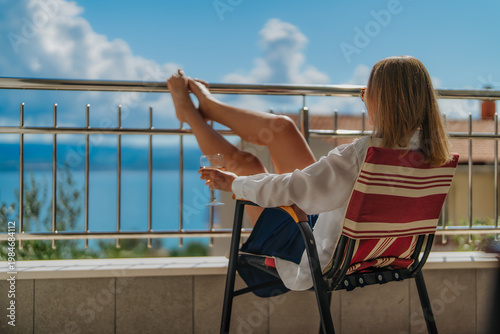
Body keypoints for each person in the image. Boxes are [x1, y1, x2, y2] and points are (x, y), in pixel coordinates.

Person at [166, 56, 451, 296]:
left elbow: (295, 191)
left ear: (383, 100)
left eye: (366, 92)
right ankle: (208, 106)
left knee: (246, 165)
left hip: (316, 253)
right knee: (282, 128)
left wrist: (233, 184)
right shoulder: (435, 154)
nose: (363, 98)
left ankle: (191, 114)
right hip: (378, 253)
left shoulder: (364, 153)